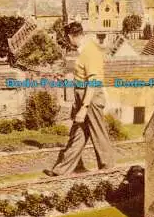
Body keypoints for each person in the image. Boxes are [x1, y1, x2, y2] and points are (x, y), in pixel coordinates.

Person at [44, 22, 115, 177]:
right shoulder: (84, 51)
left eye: (67, 38)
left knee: (98, 133)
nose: (67, 41)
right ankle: (61, 170)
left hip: (91, 98)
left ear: (71, 36)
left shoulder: (90, 52)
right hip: (83, 97)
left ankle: (109, 170)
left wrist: (84, 107)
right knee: (78, 134)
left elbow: (94, 81)